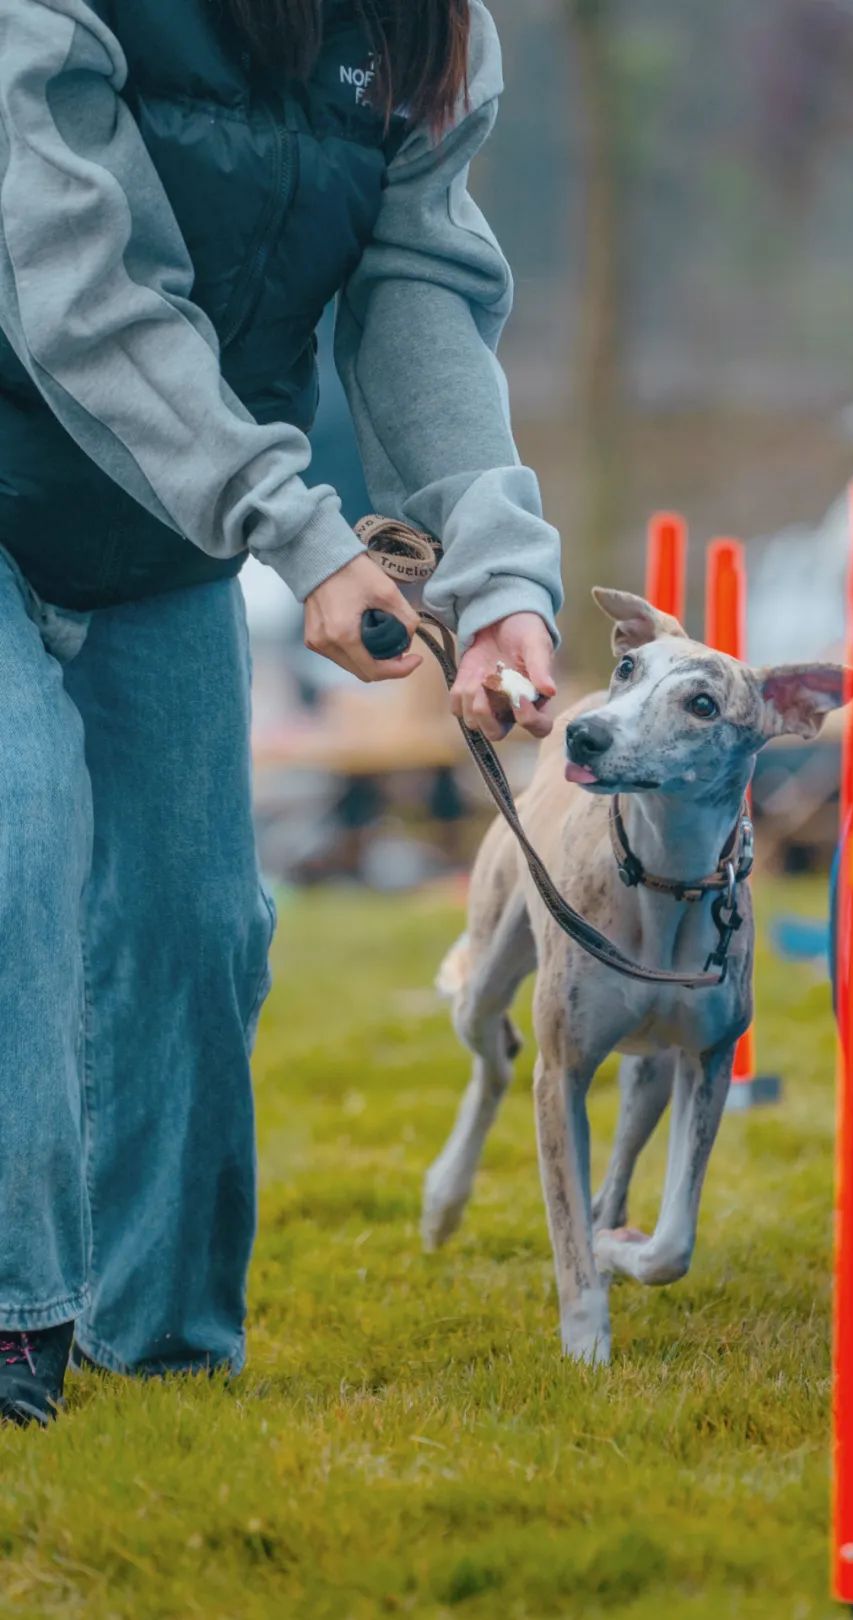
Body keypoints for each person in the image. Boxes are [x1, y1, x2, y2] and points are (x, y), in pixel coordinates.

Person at [0, 0, 562, 1424]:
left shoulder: (432, 34)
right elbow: (83, 287)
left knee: (199, 926)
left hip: (156, 533)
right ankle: (16, 1330)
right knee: (18, 852)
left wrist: (497, 567)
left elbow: (418, 295)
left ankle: (166, 1359)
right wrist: (297, 534)